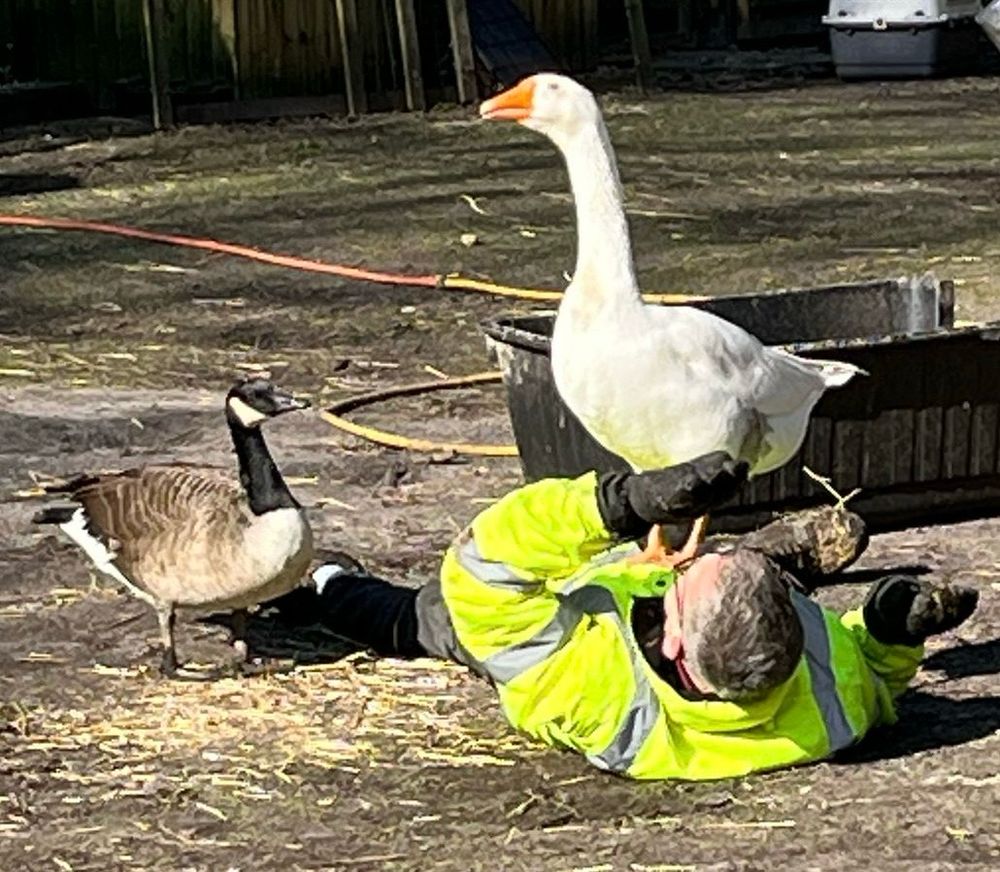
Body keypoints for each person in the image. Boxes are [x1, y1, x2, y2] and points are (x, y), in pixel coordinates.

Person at [275, 452, 978, 781]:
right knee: (722, 579)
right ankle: (771, 554)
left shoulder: (588, 688)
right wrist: (889, 636)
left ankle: (318, 585)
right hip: (681, 616)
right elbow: (872, 689)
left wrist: (618, 506)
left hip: (545, 627)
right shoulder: (814, 681)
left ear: (673, 636)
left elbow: (483, 573)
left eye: (684, 583)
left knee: (418, 620)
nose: (679, 568)